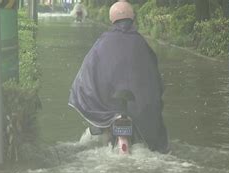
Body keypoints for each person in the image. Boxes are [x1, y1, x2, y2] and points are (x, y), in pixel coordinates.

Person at [68, 0, 169, 154]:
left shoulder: (102, 43)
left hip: (110, 108)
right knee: (157, 142)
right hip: (139, 109)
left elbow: (87, 73)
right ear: (132, 18)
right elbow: (155, 79)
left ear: (112, 19)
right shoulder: (141, 43)